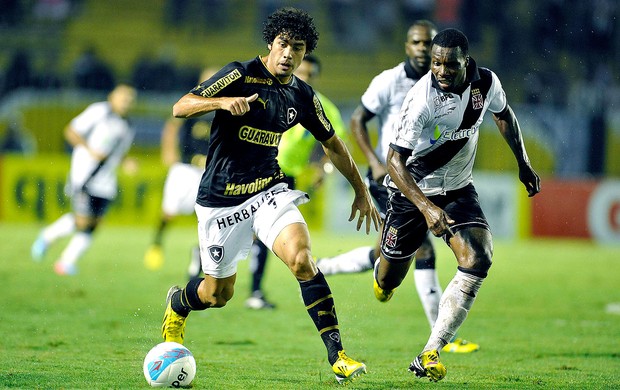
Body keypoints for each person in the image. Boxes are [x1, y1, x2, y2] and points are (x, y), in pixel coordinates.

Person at [160, 7, 380, 385]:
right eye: (283, 45)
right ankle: (178, 304)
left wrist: (361, 190)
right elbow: (181, 107)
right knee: (217, 294)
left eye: (298, 48)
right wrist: (221, 102)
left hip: (268, 190)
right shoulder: (238, 73)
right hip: (221, 198)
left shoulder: (302, 94)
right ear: (270, 43)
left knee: (301, 259)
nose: (289, 54)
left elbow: (333, 144)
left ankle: (337, 355)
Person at [373, 28, 540, 381]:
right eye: (436, 63)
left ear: (466, 62)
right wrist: (427, 208)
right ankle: (381, 278)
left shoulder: (486, 83)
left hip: (459, 189)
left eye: (450, 64)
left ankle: (429, 353)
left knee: (479, 257)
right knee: (388, 279)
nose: (442, 71)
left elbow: (504, 115)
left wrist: (523, 162)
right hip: (411, 191)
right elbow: (394, 162)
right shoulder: (422, 99)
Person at [315, 20, 478, 354]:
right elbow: (358, 119)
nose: (422, 48)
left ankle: (328, 267)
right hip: (395, 175)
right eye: (417, 43)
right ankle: (441, 335)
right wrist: (374, 162)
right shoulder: (389, 81)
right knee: (423, 248)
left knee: (387, 254)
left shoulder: (449, 82)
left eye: (427, 43)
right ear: (407, 46)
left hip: (433, 176)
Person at [244, 53, 349, 310]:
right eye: (302, 72)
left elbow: (336, 144)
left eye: (310, 75)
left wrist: (323, 169)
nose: (305, 77)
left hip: (283, 177)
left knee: (267, 234)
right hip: (251, 168)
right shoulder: (267, 92)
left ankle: (255, 291)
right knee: (241, 228)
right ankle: (206, 261)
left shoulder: (320, 105)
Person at [31, 84, 137, 275]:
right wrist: (89, 150)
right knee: (82, 220)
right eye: (123, 98)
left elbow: (117, 153)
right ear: (112, 96)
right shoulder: (99, 111)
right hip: (85, 174)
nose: (126, 103)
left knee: (94, 223)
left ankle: (66, 262)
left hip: (106, 180)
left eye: (130, 100)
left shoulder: (128, 125)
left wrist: (126, 162)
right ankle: (47, 236)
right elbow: (71, 131)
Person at [144, 68, 216, 273]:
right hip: (186, 168)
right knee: (169, 212)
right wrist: (168, 149)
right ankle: (156, 243)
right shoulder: (193, 99)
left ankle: (201, 255)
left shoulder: (227, 104)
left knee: (207, 216)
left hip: (209, 171)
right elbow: (173, 123)